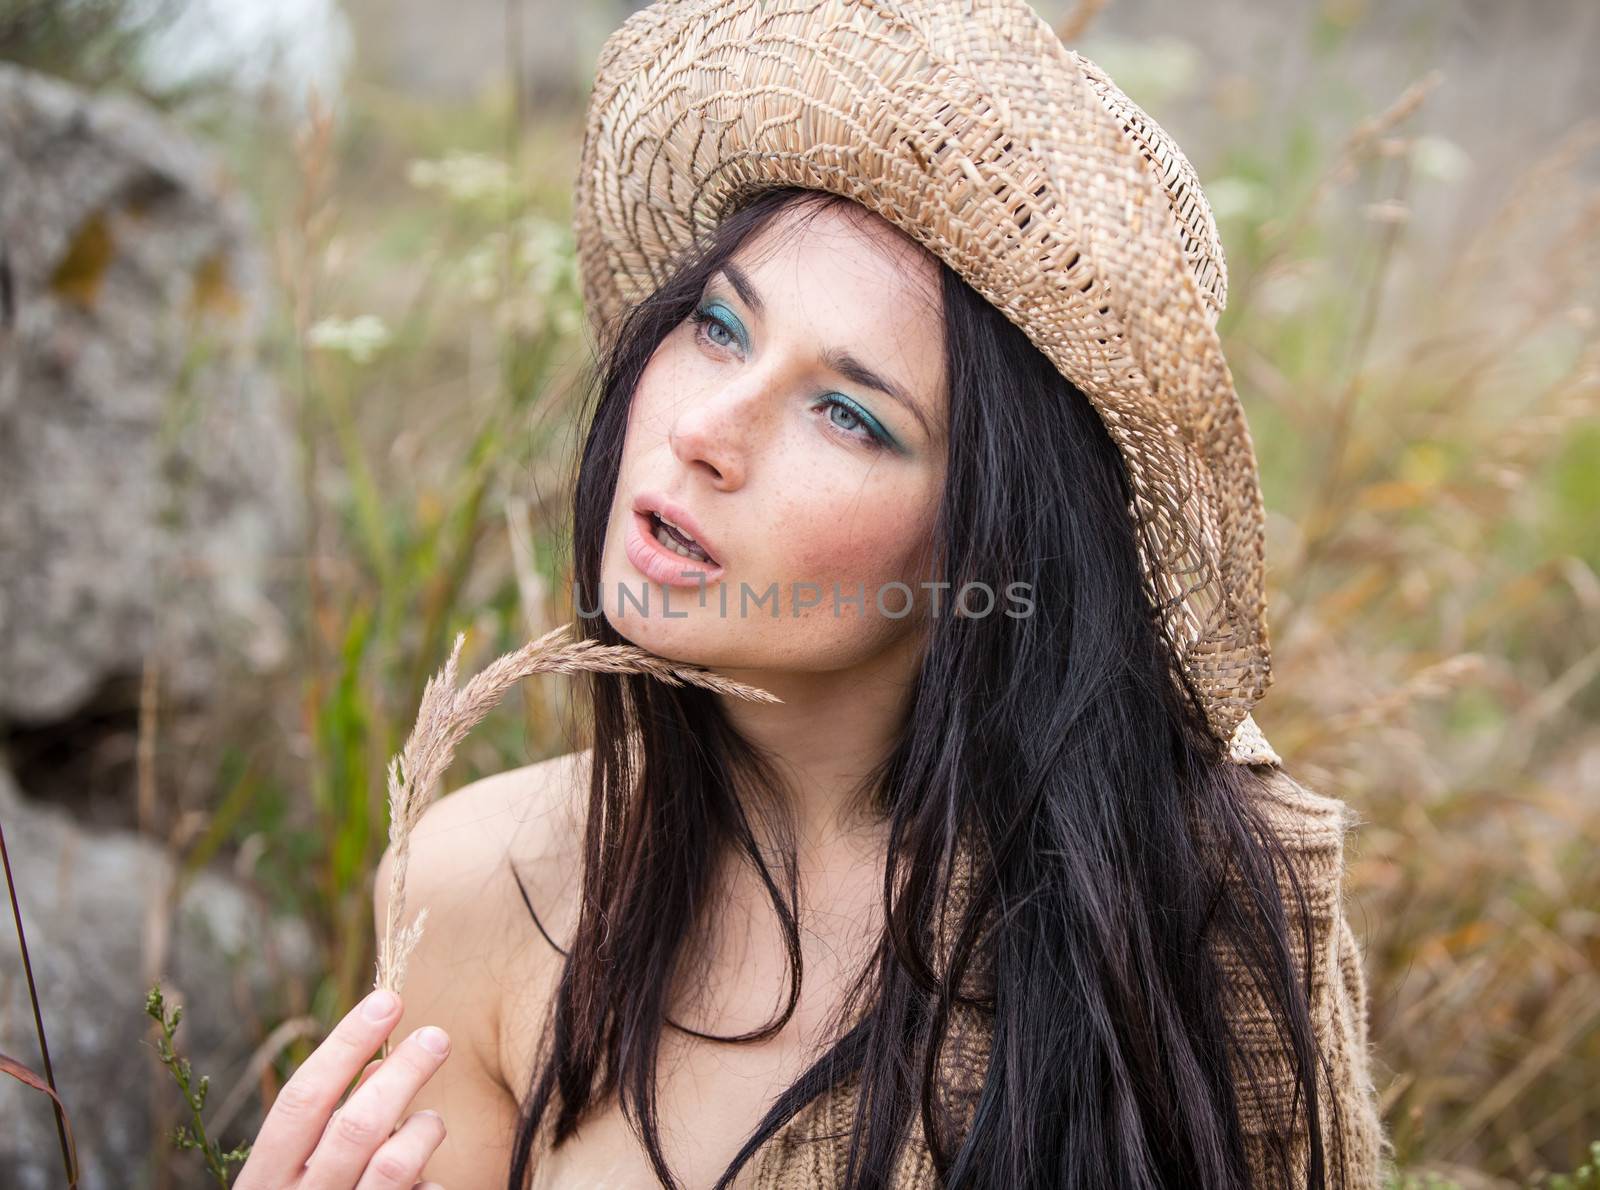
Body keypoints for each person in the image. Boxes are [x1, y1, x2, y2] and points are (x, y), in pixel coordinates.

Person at [234, 2, 1394, 1187]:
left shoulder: (1185, 905)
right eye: (719, 326)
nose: (702, 430)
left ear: (986, 546)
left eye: (848, 413)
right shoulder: (480, 881)